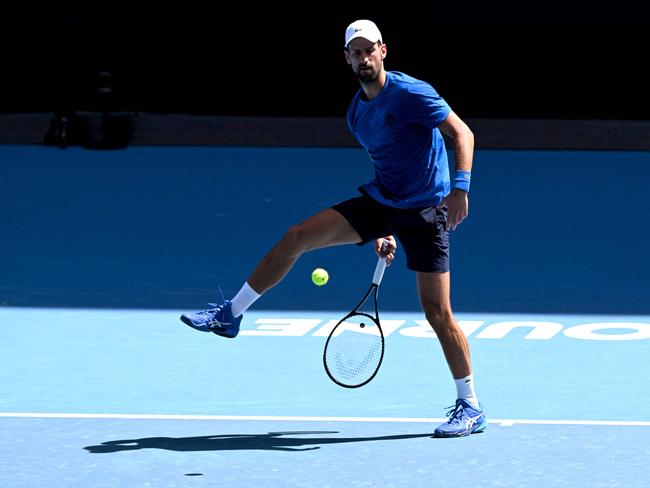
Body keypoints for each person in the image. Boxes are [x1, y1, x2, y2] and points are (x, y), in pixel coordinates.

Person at [180, 19, 486, 438]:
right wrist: (382, 227)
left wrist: (460, 190)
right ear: (347, 58)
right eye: (355, 52)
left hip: (428, 212)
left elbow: (461, 132)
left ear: (383, 50)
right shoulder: (357, 113)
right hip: (383, 203)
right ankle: (230, 315)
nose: (363, 58)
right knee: (296, 237)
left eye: (369, 49)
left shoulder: (412, 93)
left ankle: (469, 406)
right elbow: (389, 164)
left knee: (437, 313)